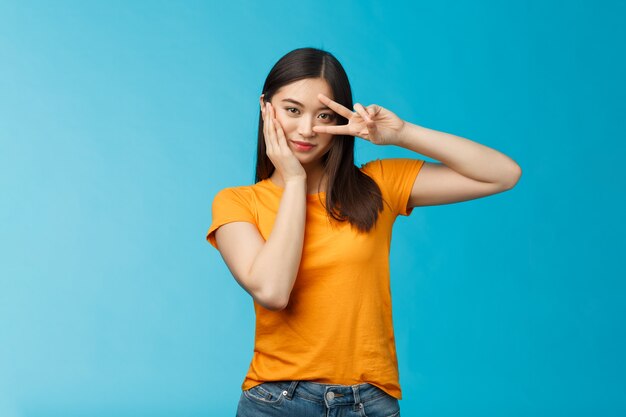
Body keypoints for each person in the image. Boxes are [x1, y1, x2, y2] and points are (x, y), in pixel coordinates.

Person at [206, 47, 521, 417]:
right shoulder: (238, 203)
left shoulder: (378, 185)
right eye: (293, 110)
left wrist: (402, 133)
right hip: (277, 402)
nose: (307, 129)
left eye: (324, 115)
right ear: (265, 107)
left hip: (367, 404)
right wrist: (293, 181)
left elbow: (502, 174)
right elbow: (273, 291)